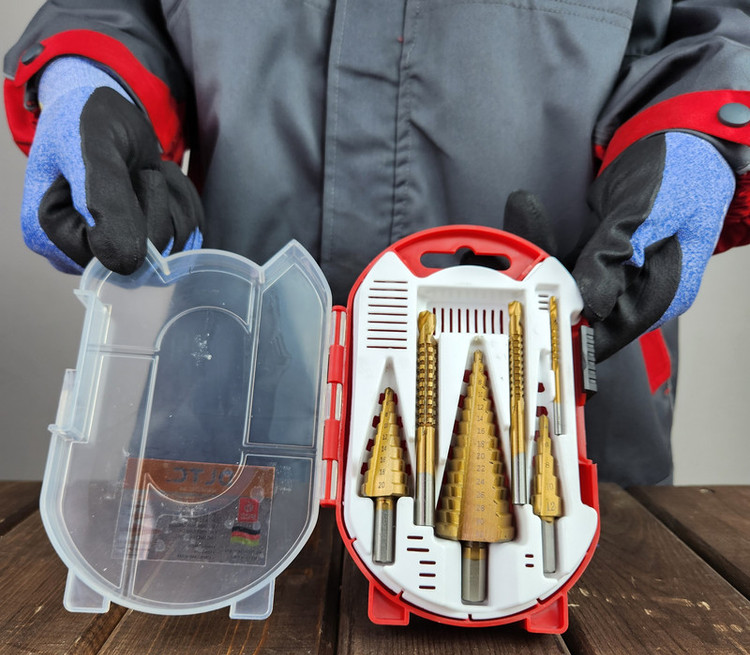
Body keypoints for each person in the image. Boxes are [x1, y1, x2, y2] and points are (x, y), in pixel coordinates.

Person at [5, 1, 750, 485]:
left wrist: (701, 137)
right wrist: (88, 77)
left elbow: (724, 24)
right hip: (232, 402)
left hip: (557, 416)